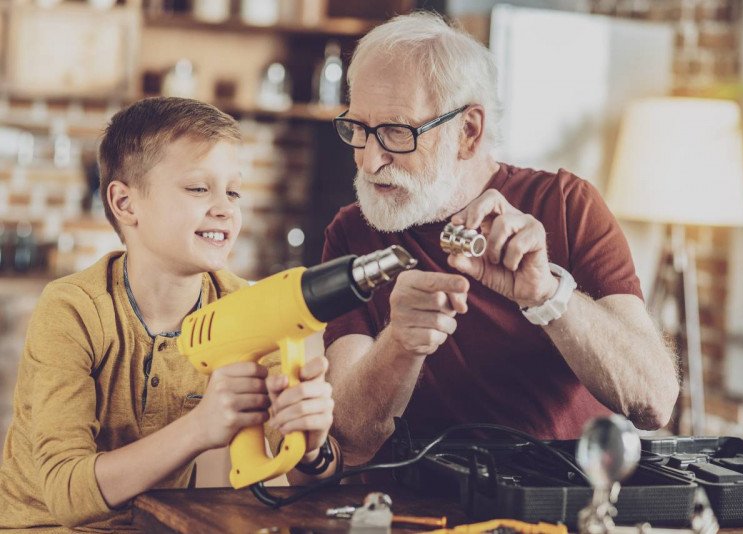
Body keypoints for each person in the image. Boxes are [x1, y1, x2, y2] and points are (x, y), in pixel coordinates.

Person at [323, 12, 680, 465]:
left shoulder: (568, 205)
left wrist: (549, 296)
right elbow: (350, 436)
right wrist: (400, 342)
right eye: (359, 129)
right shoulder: (351, 232)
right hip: (418, 510)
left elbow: (653, 400)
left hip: (560, 503)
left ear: (468, 131)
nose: (370, 160)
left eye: (397, 131)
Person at [0, 97, 338, 531]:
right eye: (199, 188)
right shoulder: (73, 310)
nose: (225, 208)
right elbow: (68, 494)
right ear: (125, 204)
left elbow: (316, 480)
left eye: (233, 191)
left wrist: (313, 447)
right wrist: (201, 428)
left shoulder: (248, 308)